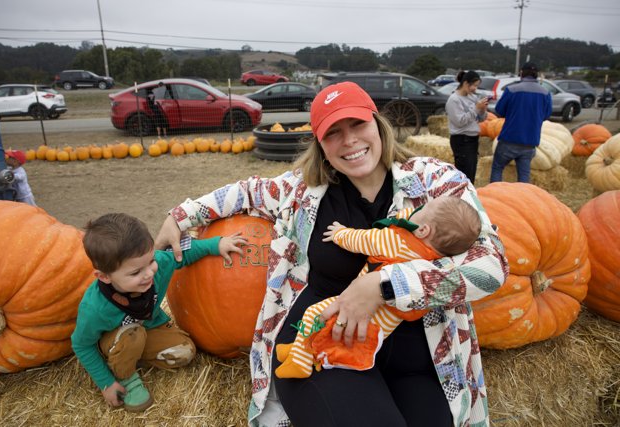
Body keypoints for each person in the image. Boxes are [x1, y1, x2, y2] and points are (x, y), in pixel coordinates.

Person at [155, 81, 508, 426]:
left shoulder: (436, 181)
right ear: (320, 144)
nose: (349, 140)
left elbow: (491, 266)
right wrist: (180, 215)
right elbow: (247, 191)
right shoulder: (302, 192)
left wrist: (382, 286)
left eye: (357, 124)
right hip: (321, 347)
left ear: (378, 124)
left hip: (419, 355)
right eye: (333, 132)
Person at [275, 196, 481, 379]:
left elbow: (364, 240)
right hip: (385, 326)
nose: (415, 211)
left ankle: (300, 363)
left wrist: (339, 233)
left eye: (422, 210)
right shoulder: (435, 262)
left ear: (423, 230)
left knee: (314, 314)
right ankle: (300, 350)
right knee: (333, 334)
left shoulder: (396, 241)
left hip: (361, 312)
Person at [71, 212, 247, 412]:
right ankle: (125, 374)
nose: (149, 273)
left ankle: (133, 356)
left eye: (151, 260)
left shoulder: (158, 265)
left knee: (185, 351)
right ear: (104, 277)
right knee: (132, 335)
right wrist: (106, 384)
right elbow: (81, 344)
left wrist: (216, 244)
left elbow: (183, 254)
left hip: (148, 328)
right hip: (119, 337)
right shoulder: (95, 308)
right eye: (136, 272)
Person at [490, 62, 552, 183]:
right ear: (536, 75)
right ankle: (522, 198)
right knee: (524, 175)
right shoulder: (545, 93)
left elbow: (499, 111)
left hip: (509, 139)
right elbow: (546, 115)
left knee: (497, 168)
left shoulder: (511, 90)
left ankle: (494, 196)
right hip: (530, 141)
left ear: (521, 73)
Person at [445, 70, 489, 183]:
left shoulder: (472, 97)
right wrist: (476, 109)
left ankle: (468, 197)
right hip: (461, 140)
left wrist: (483, 110)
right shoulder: (454, 100)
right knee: (465, 174)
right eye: (474, 85)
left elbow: (482, 119)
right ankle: (462, 198)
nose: (475, 88)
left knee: (471, 173)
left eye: (477, 86)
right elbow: (460, 121)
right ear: (465, 83)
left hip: (473, 139)